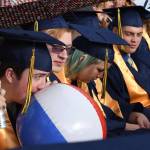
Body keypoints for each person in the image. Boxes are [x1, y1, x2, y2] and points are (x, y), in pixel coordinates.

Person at [66, 35, 150, 138]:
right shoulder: (60, 84)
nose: (100, 76)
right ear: (81, 60)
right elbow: (88, 122)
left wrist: (133, 115)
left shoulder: (86, 82)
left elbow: (108, 108)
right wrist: (126, 126)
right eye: (100, 70)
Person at [0, 28, 64, 149]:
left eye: (45, 77)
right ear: (10, 75)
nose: (42, 85)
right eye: (37, 77)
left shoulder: (20, 106)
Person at [103, 6, 150, 117]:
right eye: (128, 34)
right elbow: (118, 104)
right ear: (115, 31)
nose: (134, 40)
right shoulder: (108, 65)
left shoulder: (141, 59)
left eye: (139, 34)